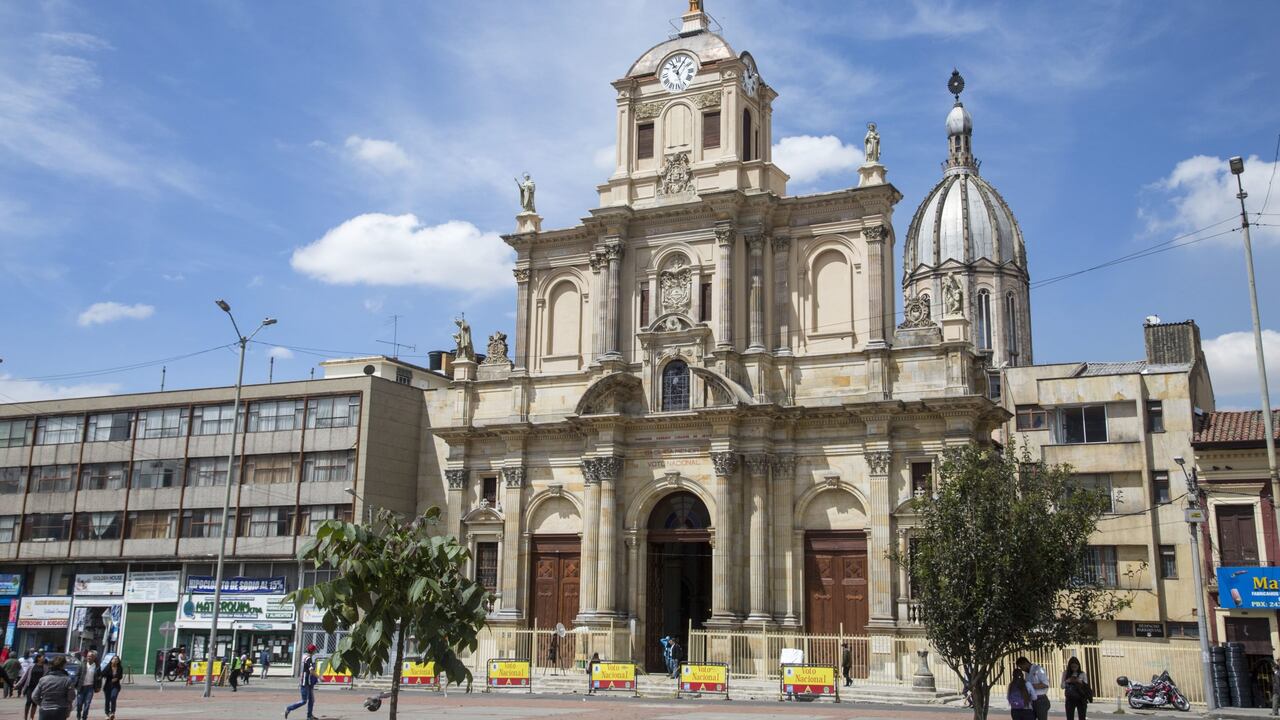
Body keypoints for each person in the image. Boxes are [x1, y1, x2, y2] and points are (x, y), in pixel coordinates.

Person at [32, 654, 75, 720]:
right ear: (63, 666)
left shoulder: (43, 679)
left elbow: (34, 696)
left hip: (45, 710)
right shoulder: (67, 680)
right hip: (60, 710)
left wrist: (42, 704)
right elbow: (71, 697)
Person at [285, 644, 319, 720]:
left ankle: (309, 716)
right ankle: (289, 708)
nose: (315, 651)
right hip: (305, 682)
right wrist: (319, 677)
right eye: (315, 650)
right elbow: (311, 671)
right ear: (312, 651)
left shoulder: (306, 657)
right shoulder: (308, 658)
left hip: (309, 682)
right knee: (304, 701)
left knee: (311, 700)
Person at [17, 653, 47, 720]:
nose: (44, 658)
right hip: (30, 686)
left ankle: (32, 717)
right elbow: (24, 676)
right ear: (38, 658)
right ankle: (25, 717)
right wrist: (18, 684)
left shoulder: (45, 667)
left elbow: (46, 677)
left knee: (34, 702)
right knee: (28, 701)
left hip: (39, 688)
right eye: (42, 657)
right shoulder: (31, 666)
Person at [72, 650, 100, 720]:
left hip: (90, 688)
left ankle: (84, 717)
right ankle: (78, 715)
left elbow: (99, 678)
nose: (89, 657)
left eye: (91, 656)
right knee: (79, 703)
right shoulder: (82, 664)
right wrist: (75, 684)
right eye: (88, 656)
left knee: (87, 704)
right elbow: (77, 675)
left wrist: (98, 687)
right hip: (81, 687)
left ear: (94, 658)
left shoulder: (97, 666)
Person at [100, 656, 123, 720]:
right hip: (107, 686)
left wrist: (117, 678)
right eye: (114, 659)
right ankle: (107, 713)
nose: (115, 660)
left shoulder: (119, 668)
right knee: (107, 700)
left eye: (116, 659)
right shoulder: (108, 667)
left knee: (113, 697)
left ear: (118, 661)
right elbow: (102, 674)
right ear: (111, 660)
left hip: (116, 686)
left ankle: (112, 712)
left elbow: (121, 676)